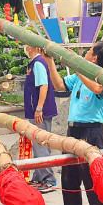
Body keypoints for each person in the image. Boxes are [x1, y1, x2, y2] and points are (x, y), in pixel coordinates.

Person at [43, 43, 103, 205]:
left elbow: (96, 89)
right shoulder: (78, 76)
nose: (85, 53)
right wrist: (49, 60)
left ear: (94, 59)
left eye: (89, 51)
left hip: (91, 132)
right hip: (73, 131)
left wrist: (76, 65)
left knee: (93, 185)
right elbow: (59, 86)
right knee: (69, 180)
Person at [23, 43, 58, 193]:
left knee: (41, 144)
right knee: (37, 144)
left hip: (39, 111)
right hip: (35, 110)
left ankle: (48, 179)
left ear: (33, 47)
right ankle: (39, 176)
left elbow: (43, 86)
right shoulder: (34, 63)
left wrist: (39, 108)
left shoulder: (38, 63)